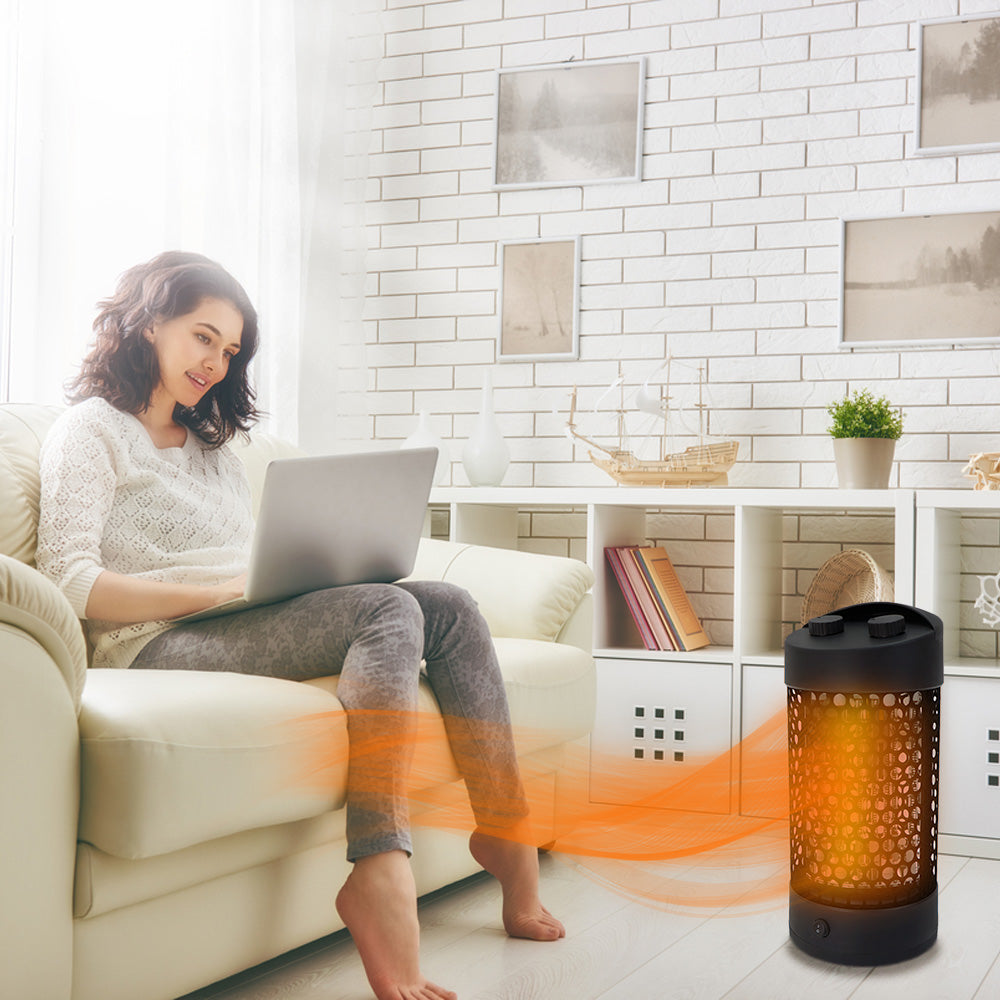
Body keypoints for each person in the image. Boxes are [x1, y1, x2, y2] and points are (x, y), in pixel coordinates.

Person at [36, 251, 564, 1000]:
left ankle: (505, 830)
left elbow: (253, 554)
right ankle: (379, 870)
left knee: (448, 603)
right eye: (203, 337)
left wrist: (297, 574)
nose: (216, 362)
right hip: (153, 643)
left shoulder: (214, 445)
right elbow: (71, 582)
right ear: (149, 322)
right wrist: (211, 593)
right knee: (388, 609)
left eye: (230, 350)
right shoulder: (88, 432)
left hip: (243, 613)